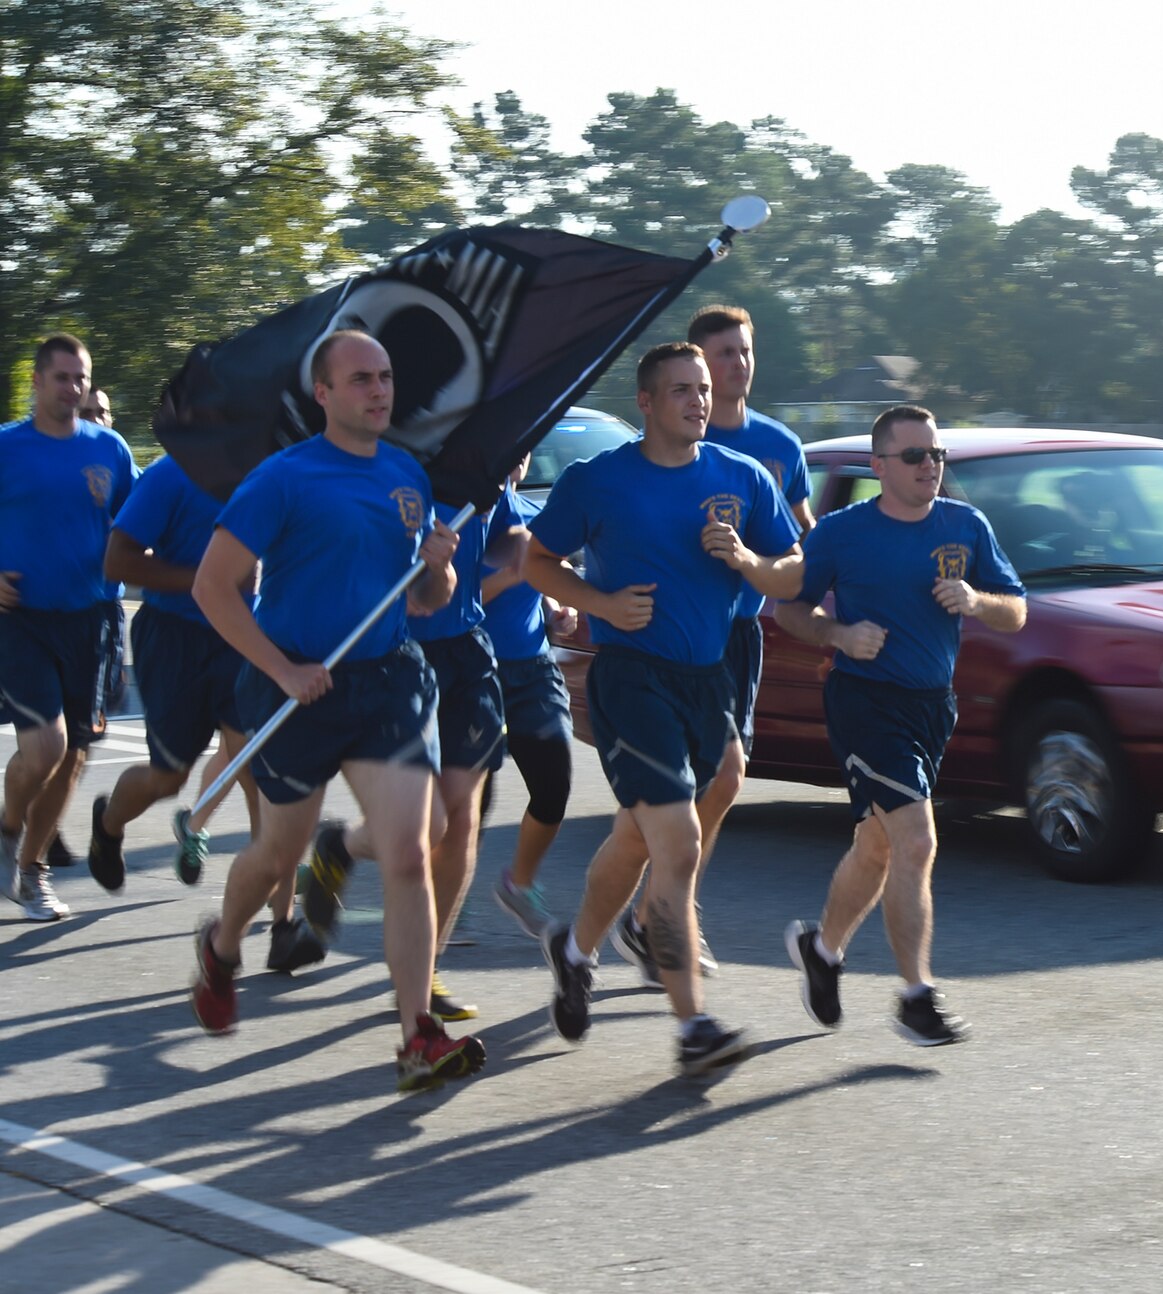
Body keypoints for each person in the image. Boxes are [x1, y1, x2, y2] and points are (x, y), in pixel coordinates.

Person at [188, 329, 483, 1092]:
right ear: (323, 394)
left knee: (413, 851)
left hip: (387, 680)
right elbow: (213, 588)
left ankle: (418, 1035)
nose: (379, 391)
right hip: (299, 689)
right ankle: (222, 947)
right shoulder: (282, 479)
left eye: (384, 378)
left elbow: (419, 602)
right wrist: (283, 670)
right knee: (276, 857)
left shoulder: (406, 475)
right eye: (360, 380)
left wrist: (436, 572)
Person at [524, 340, 801, 1076]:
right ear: (645, 403)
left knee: (640, 839)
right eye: (681, 389)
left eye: (703, 388)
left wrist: (745, 561)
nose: (698, 400)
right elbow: (535, 561)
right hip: (631, 679)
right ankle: (692, 1024)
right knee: (676, 843)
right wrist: (598, 604)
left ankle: (576, 950)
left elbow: (794, 568)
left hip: (708, 679)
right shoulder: (598, 481)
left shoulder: (740, 477)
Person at [774, 405, 1026, 1045]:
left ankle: (822, 950)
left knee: (878, 846)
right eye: (914, 456)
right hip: (865, 702)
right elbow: (788, 611)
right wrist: (837, 632)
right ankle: (917, 997)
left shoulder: (965, 525)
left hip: (931, 705)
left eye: (936, 455)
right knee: (916, 840)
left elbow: (1015, 612)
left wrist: (976, 601)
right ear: (879, 466)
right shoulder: (841, 533)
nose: (929, 467)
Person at [611, 305, 815, 984]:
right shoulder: (658, 450)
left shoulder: (778, 448)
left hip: (738, 633)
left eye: (744, 352)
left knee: (721, 783)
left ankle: (656, 912)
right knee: (674, 796)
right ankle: (647, 918)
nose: (736, 366)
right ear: (692, 367)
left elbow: (801, 539)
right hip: (666, 638)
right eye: (721, 354)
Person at [297, 461, 525, 1024]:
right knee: (426, 830)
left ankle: (424, 973)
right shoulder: (379, 460)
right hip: (391, 654)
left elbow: (503, 537)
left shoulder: (479, 455)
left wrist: (533, 547)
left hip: (466, 652)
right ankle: (342, 847)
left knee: (462, 823)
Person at [89, 451, 325, 969]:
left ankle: (284, 928)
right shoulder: (172, 475)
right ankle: (107, 825)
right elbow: (118, 560)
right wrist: (207, 578)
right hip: (175, 638)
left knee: (264, 776)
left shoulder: (275, 474)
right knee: (167, 776)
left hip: (245, 638)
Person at [0, 336, 136, 921]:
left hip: (94, 621)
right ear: (36, 381)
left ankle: (31, 871)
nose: (72, 388)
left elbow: (138, 524)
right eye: (61, 377)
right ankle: (6, 830)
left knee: (73, 755)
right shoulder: (7, 447)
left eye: (80, 378)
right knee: (46, 745)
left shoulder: (109, 448)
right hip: (22, 619)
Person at [485, 456, 579, 935]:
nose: (519, 457)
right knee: (460, 808)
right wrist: (510, 575)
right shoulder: (466, 517)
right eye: (512, 447)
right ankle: (344, 849)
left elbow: (542, 585)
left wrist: (557, 610)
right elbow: (436, 603)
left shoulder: (529, 515)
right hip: (473, 668)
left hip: (533, 668)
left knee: (554, 783)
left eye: (526, 448)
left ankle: (518, 884)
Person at [43, 385, 113, 873]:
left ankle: (43, 829)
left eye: (101, 411)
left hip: (103, 617)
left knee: (81, 741)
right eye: (87, 411)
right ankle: (27, 828)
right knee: (48, 739)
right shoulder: (52, 464)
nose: (94, 418)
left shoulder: (118, 464)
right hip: (38, 616)